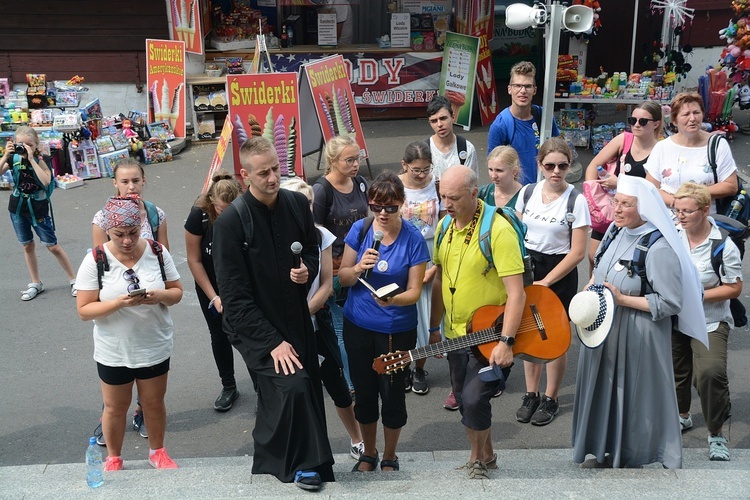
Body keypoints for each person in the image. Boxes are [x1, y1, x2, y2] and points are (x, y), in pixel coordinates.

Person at [212, 137, 334, 491]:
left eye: (276, 169)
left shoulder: (297, 203)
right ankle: (305, 465)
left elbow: (311, 249)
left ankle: (282, 458)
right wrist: (272, 343)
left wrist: (306, 270)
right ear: (244, 174)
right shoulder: (230, 224)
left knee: (303, 387)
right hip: (252, 326)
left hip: (295, 315)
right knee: (291, 385)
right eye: (263, 173)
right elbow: (233, 298)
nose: (271, 178)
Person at [572, 175, 707, 469]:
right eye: (616, 202)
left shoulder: (658, 248)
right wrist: (593, 284)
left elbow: (671, 302)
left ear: (643, 207)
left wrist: (622, 300)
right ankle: (603, 447)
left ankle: (634, 453)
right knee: (605, 390)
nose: (616, 209)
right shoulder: (614, 232)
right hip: (606, 327)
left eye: (625, 204)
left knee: (633, 397)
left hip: (638, 334)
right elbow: (601, 266)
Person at [429, 165, 526, 479]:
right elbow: (441, 281)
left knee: (473, 398)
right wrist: (433, 328)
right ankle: (488, 453)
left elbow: (517, 294)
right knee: (465, 401)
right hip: (456, 336)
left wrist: (506, 342)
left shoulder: (498, 230)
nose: (447, 203)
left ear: (474, 193)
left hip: (491, 337)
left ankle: (477, 460)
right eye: (443, 196)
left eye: (454, 197)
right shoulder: (444, 227)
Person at [75, 196, 183, 471]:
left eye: (133, 233)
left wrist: (159, 295)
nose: (127, 240)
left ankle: (157, 451)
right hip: (114, 349)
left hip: (153, 344)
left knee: (154, 403)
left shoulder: (158, 252)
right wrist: (118, 303)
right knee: (114, 407)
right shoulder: (95, 259)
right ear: (108, 231)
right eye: (119, 234)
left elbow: (176, 293)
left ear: (141, 226)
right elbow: (84, 310)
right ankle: (114, 457)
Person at [338, 171, 429, 473]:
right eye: (377, 206)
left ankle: (390, 455)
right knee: (364, 393)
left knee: (391, 396)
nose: (383, 213)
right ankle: (369, 453)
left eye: (390, 207)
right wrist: (358, 268)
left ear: (402, 203)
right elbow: (343, 277)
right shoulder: (361, 230)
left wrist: (393, 299)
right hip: (358, 326)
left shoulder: (414, 238)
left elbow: (415, 292)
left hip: (395, 330)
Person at [280, 177, 365, 460]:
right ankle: (304, 446)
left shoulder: (321, 236)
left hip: (317, 324)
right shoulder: (274, 236)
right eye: (298, 204)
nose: (306, 209)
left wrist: (302, 316)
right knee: (295, 390)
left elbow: (327, 285)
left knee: (338, 384)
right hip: (282, 331)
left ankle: (357, 438)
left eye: (309, 204)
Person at [91, 158, 170, 444]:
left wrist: (156, 292)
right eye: (124, 181)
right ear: (114, 183)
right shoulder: (103, 218)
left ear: (144, 180)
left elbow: (165, 257)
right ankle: (110, 417)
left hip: (150, 307)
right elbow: (99, 263)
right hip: (118, 308)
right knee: (116, 373)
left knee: (149, 370)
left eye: (135, 180)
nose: (130, 186)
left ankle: (142, 413)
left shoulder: (155, 214)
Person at [514, 137, 590, 426]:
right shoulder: (528, 192)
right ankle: (531, 394)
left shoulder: (576, 199)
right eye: (550, 165)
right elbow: (516, 232)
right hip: (529, 267)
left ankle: (551, 398)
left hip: (559, 271)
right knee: (529, 333)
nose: (556, 171)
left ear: (569, 165)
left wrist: (546, 282)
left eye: (562, 165)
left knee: (555, 338)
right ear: (540, 165)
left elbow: (578, 252)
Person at [673, 182, 741, 461]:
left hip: (710, 321)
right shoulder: (671, 235)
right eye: (677, 210)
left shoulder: (723, 244)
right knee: (675, 374)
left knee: (710, 374)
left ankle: (716, 433)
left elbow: (734, 287)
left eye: (687, 211)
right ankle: (681, 415)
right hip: (675, 319)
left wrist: (698, 296)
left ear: (704, 210)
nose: (681, 216)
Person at [312, 135, 369, 394]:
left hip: (362, 265)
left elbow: (368, 221)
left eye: (358, 158)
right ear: (333, 161)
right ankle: (351, 382)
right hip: (335, 269)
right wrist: (326, 278)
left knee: (363, 323)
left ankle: (366, 372)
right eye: (350, 160)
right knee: (342, 328)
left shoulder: (360, 183)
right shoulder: (322, 190)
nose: (356, 164)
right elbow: (316, 235)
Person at [184, 170, 245, 411]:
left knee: (248, 334)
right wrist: (215, 297)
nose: (227, 215)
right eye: (222, 210)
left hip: (240, 284)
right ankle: (229, 387)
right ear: (211, 203)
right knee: (219, 334)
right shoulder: (198, 215)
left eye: (232, 209)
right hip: (211, 284)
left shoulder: (245, 209)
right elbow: (194, 260)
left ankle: (263, 389)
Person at [1, 126, 77, 301]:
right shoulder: (12, 158)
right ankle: (35, 282)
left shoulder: (43, 159)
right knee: (27, 245)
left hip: (38, 209)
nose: (24, 147)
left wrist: (32, 159)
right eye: (20, 144)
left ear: (36, 145)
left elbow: (45, 180)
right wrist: (6, 155)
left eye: (29, 144)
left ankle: (74, 279)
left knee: (52, 246)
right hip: (18, 209)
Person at [585, 101, 662, 270]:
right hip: (611, 209)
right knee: (594, 257)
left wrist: (618, 183)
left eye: (642, 121)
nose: (636, 125)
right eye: (632, 120)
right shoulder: (624, 140)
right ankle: (593, 294)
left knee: (621, 265)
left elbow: (651, 190)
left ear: (656, 123)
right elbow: (593, 165)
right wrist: (593, 198)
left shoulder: (661, 150)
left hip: (638, 217)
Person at [398, 141, 444, 396]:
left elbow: (446, 222)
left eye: (426, 169)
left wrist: (436, 265)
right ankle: (403, 364)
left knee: (427, 316)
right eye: (416, 170)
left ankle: (419, 367)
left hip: (430, 253)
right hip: (404, 254)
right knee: (405, 315)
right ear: (404, 165)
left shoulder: (436, 185)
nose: (421, 174)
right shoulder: (395, 185)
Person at [645, 92, 738, 211]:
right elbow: (651, 188)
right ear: (674, 120)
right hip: (668, 219)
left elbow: (731, 186)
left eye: (696, 113)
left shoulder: (717, 145)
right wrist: (677, 202)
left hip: (704, 220)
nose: (692, 119)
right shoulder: (662, 147)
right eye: (686, 114)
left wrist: (692, 196)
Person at [487, 61, 560, 185]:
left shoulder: (544, 117)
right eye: (517, 86)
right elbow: (494, 169)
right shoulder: (500, 126)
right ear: (509, 89)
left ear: (534, 90)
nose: (523, 91)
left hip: (544, 189)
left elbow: (558, 151)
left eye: (528, 86)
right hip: (516, 195)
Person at [426, 95, 478, 179]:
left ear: (453, 117)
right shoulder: (423, 151)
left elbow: (471, 185)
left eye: (443, 118)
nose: (439, 124)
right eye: (434, 121)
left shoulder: (467, 149)